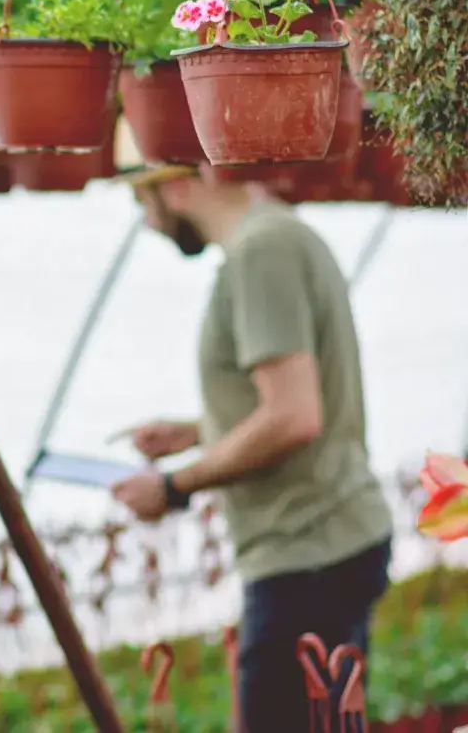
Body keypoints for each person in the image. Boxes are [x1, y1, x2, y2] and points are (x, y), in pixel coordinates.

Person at [109, 164, 393, 733]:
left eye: (144, 200)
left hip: (306, 552)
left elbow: (293, 417)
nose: (146, 222)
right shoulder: (279, 234)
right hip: (328, 544)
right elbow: (297, 396)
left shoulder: (260, 254)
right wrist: (198, 429)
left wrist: (172, 487)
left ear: (175, 183)